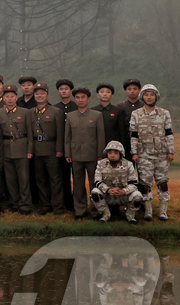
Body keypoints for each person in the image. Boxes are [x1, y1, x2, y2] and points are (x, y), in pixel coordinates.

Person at [130, 83, 174, 221]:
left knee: (162, 183)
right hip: (144, 155)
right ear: (142, 97)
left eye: (152, 95)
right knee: (144, 184)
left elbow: (169, 133)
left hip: (161, 154)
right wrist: (134, 152)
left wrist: (171, 151)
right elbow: (133, 135)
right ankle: (148, 211)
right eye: (146, 95)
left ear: (156, 96)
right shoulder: (136, 114)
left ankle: (163, 211)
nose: (149, 97)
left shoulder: (164, 113)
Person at [64, 87, 106, 218]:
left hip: (93, 155)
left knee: (95, 184)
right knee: (78, 184)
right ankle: (80, 211)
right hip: (76, 155)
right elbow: (67, 137)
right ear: (74, 99)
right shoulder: (70, 116)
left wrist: (100, 155)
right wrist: (68, 154)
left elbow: (101, 136)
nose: (80, 100)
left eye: (83, 97)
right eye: (77, 97)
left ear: (88, 99)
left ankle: (95, 210)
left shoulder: (96, 115)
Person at [0, 85, 33, 214]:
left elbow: (30, 133)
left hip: (22, 148)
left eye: (12, 96)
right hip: (6, 149)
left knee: (24, 179)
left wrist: (30, 150)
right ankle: (14, 204)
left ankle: (26, 205)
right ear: (3, 98)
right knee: (10, 180)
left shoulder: (25, 112)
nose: (10, 99)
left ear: (16, 98)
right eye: (7, 96)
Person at [30, 85, 67, 215]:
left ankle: (58, 207)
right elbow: (30, 134)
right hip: (37, 150)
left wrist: (59, 150)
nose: (39, 96)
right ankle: (45, 205)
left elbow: (60, 132)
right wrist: (31, 150)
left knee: (55, 180)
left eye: (42, 93)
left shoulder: (56, 111)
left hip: (51, 149)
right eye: (37, 94)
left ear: (47, 95)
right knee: (40, 179)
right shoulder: (31, 112)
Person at [93, 140, 142, 223]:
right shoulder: (100, 164)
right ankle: (106, 214)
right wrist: (108, 190)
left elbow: (134, 184)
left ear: (121, 154)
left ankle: (130, 215)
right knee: (95, 193)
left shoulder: (128, 164)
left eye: (116, 153)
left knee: (138, 196)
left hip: (123, 196)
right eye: (110, 152)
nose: (112, 155)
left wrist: (123, 191)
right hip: (108, 195)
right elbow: (97, 181)